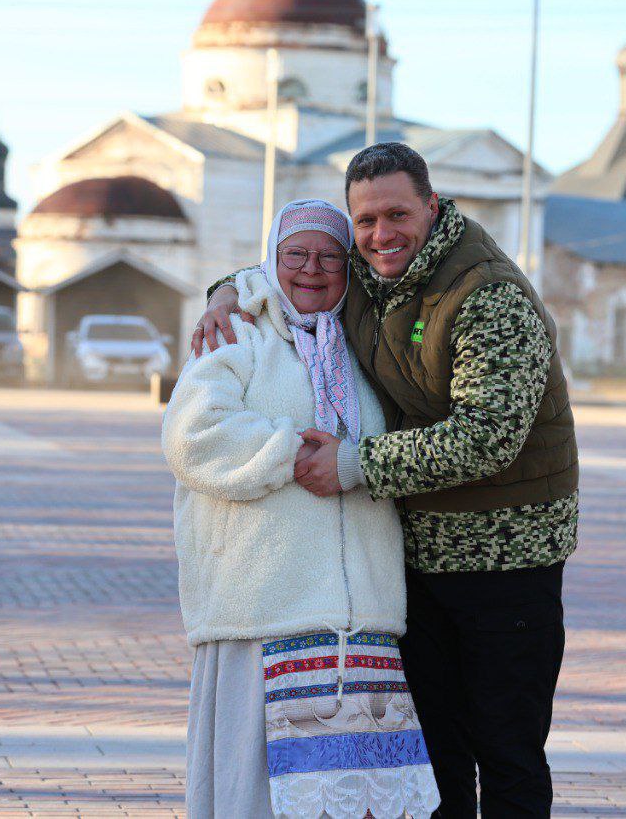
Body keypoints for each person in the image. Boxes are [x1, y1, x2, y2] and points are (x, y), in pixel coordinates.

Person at [193, 143, 579, 817]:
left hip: (505, 564)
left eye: (396, 214)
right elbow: (298, 264)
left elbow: (486, 437)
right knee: (438, 755)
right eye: (364, 221)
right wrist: (227, 291)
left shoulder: (489, 295)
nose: (379, 234)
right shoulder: (374, 276)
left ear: (432, 207)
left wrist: (353, 463)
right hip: (422, 563)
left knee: (508, 750)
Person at [162, 198, 441, 819]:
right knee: (259, 799)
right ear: (272, 260)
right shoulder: (235, 334)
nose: (311, 269)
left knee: (359, 804)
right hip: (262, 613)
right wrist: (294, 453)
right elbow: (193, 437)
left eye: (330, 257)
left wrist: (353, 461)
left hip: (361, 624)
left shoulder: (370, 350)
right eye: (295, 254)